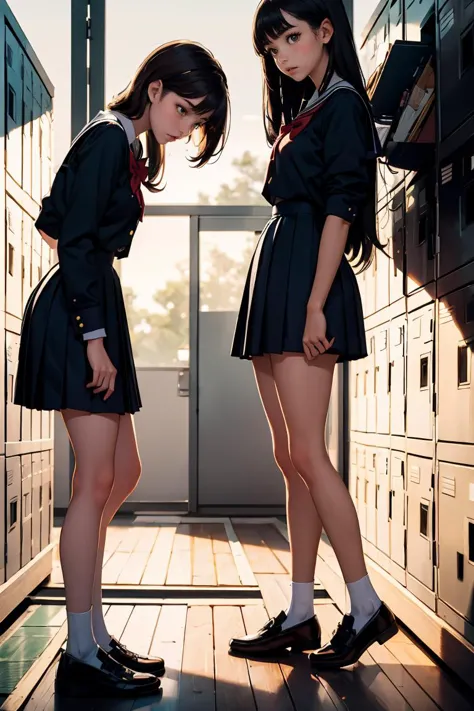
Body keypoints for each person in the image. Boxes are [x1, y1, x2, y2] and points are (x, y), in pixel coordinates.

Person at [14, 40, 229, 698]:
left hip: (91, 301)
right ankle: (82, 647)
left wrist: (95, 305)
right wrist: (94, 335)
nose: (187, 125)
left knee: (120, 473)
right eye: (186, 110)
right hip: (84, 313)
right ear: (156, 87)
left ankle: (93, 629)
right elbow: (72, 238)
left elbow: (55, 220)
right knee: (96, 481)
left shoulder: (122, 143)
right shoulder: (110, 137)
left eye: (198, 120)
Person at [229, 0, 398, 669]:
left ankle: (364, 605)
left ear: (327, 30)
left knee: (310, 453)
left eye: (292, 38)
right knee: (291, 454)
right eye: (273, 47)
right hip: (279, 273)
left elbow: (340, 208)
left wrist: (316, 305)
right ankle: (300, 612)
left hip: (307, 282)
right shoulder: (302, 107)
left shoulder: (344, 105)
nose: (283, 55)